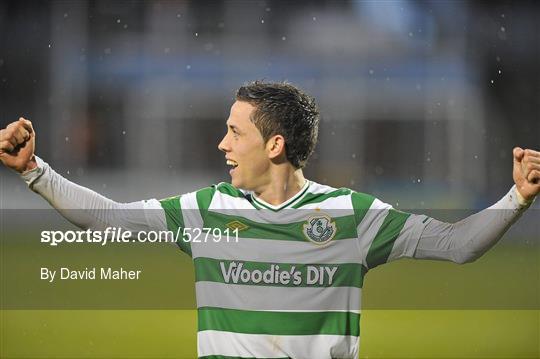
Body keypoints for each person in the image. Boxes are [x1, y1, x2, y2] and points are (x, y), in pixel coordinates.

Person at [1, 81, 539, 359]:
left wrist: (516, 197)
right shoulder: (207, 212)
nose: (222, 144)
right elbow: (111, 221)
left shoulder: (353, 217)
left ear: (276, 144)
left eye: (236, 133)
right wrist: (35, 172)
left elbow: (456, 244)